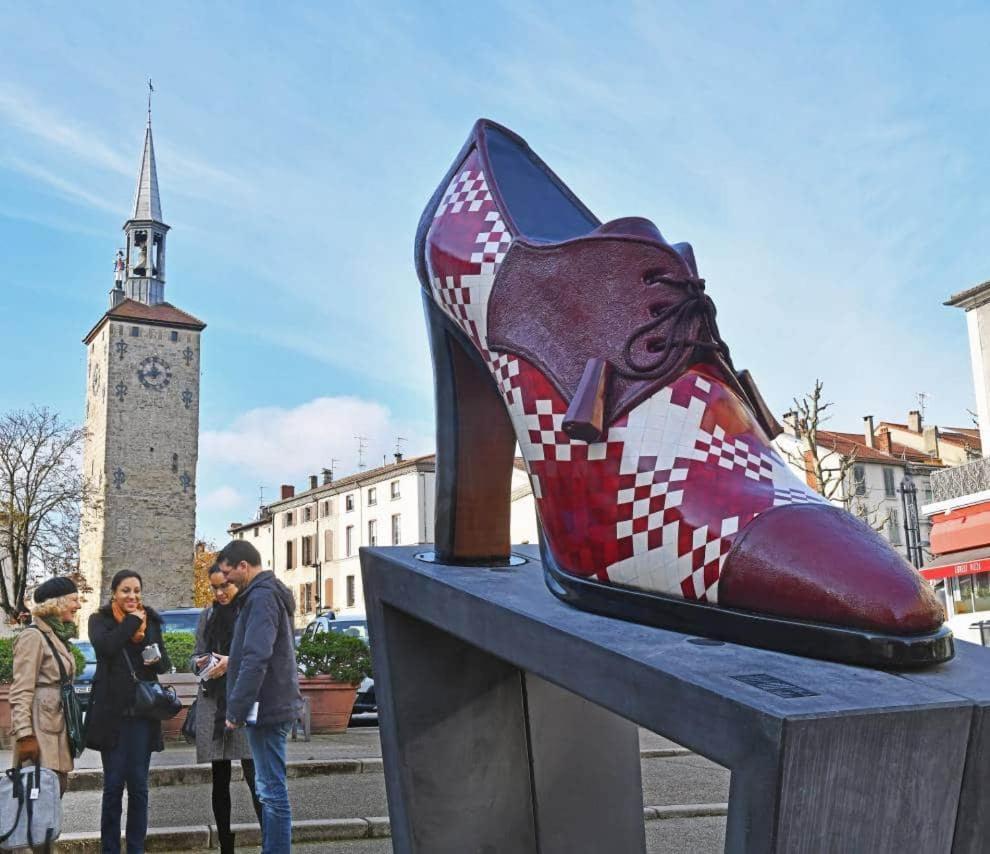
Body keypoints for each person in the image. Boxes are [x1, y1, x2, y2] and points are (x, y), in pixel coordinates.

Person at [218, 540, 302, 854]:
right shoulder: (264, 595)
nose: (226, 579)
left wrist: (236, 709)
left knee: (271, 791)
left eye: (228, 572)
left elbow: (257, 656)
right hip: (272, 704)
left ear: (244, 565)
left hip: (266, 707)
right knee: (269, 789)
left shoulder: (262, 597)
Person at [86, 570, 172, 854]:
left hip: (142, 717)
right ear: (114, 593)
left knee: (138, 787)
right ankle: (109, 849)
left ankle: (136, 848)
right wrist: (133, 622)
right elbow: (107, 647)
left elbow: (162, 666)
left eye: (136, 591)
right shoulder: (99, 621)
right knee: (112, 787)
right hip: (112, 716)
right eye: (125, 591)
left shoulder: (152, 621)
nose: (132, 596)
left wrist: (153, 652)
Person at [190, 564, 263, 853]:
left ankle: (270, 839)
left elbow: (262, 655)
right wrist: (200, 663)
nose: (220, 593)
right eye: (215, 588)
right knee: (219, 780)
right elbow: (194, 654)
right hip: (214, 702)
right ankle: (226, 845)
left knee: (255, 777)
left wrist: (230, 662)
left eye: (225, 586)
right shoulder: (207, 616)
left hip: (244, 703)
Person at [9, 577, 82, 797]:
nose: (78, 606)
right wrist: (24, 735)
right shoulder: (33, 637)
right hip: (39, 732)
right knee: (37, 799)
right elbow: (21, 689)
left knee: (52, 793)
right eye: (73, 600)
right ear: (56, 603)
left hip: (56, 725)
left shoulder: (57, 636)